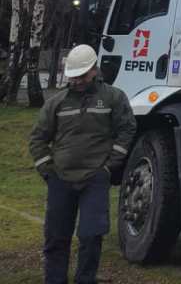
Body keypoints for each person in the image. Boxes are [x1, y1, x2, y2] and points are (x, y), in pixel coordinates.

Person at [29, 44, 136, 284]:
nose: (76, 81)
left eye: (82, 76)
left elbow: (127, 129)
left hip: (95, 179)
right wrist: (48, 171)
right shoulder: (56, 103)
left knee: (91, 235)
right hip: (60, 179)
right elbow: (38, 138)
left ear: (94, 70)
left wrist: (109, 166)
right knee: (56, 237)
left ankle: (85, 280)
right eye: (73, 76)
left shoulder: (113, 97)